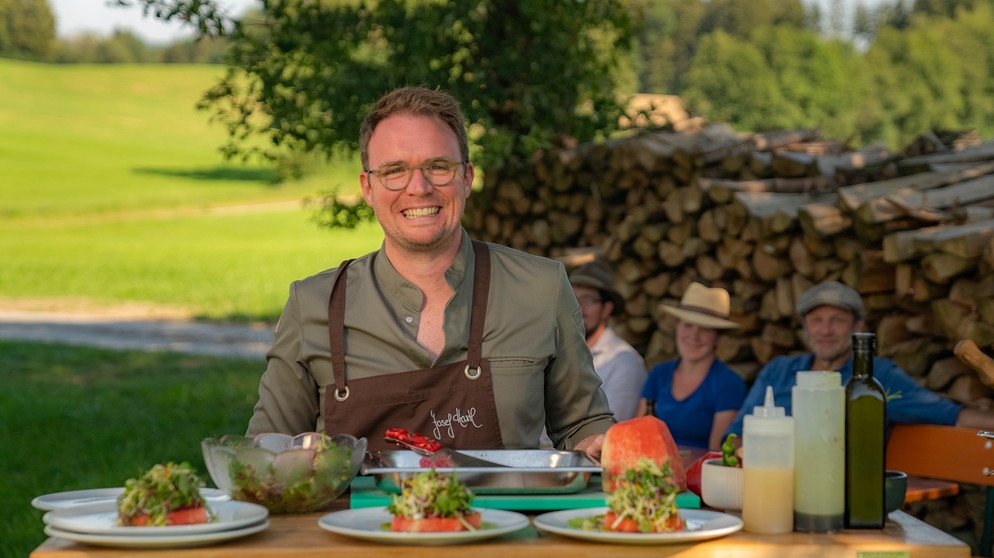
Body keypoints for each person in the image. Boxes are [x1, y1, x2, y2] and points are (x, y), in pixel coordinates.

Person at [246, 86, 615, 459]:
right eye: (394, 171)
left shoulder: (541, 288)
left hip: (500, 518)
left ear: (467, 178)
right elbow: (266, 451)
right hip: (357, 519)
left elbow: (582, 425)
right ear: (368, 188)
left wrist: (600, 444)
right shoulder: (313, 306)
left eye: (438, 167)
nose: (418, 188)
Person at [724, 281, 994, 440]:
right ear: (804, 327)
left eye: (837, 320)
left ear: (858, 326)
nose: (826, 330)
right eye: (816, 320)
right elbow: (733, 436)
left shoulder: (877, 377)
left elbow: (948, 415)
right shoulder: (779, 370)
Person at [636, 282, 747, 450]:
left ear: (718, 337)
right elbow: (637, 433)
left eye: (705, 329)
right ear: (677, 327)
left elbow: (717, 452)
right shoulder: (659, 374)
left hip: (700, 473)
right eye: (687, 325)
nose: (694, 335)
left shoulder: (729, 383)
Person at [568, 260, 647, 421]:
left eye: (588, 300)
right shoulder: (557, 351)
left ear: (607, 309)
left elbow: (608, 431)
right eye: (571, 299)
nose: (577, 308)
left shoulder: (625, 363)